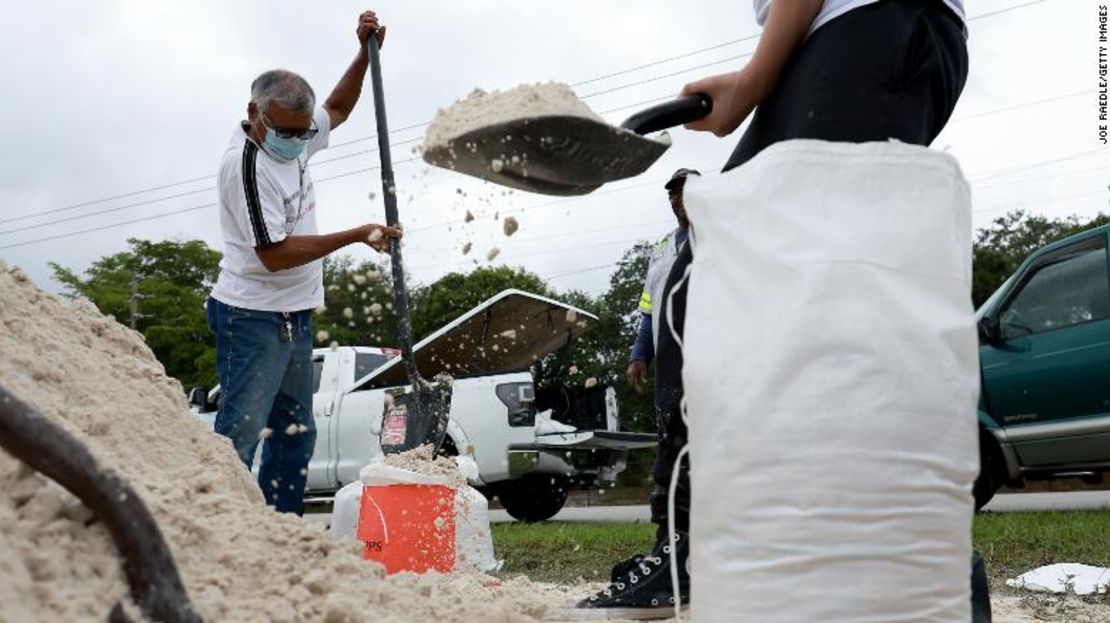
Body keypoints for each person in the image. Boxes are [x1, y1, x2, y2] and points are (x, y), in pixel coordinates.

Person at [580, 0, 968, 616]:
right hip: (906, 42)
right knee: (833, 303)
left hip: (864, 34)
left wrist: (754, 81)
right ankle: (901, 554)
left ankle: (692, 551)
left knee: (707, 275)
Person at [206, 10, 400, 515]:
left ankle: (281, 532)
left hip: (295, 315)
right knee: (239, 435)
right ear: (255, 112)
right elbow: (274, 255)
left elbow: (337, 107)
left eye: (301, 132)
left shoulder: (292, 136)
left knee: (295, 433)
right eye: (287, 132)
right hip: (251, 317)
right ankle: (223, 529)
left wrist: (364, 51)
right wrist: (357, 234)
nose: (297, 141)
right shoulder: (245, 167)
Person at [625, 169, 698, 396]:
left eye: (688, 190)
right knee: (670, 426)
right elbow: (649, 312)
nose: (680, 198)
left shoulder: (717, 237)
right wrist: (639, 355)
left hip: (708, 361)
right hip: (668, 367)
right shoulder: (660, 249)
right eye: (674, 194)